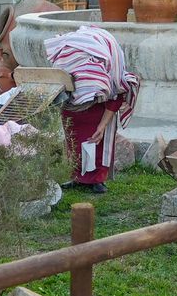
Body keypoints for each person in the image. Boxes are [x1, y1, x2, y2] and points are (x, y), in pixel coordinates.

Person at [44, 25, 140, 194]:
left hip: (98, 111)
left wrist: (102, 126)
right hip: (71, 108)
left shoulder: (108, 75)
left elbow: (115, 97)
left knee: (97, 145)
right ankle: (77, 177)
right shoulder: (66, 62)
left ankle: (97, 179)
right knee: (73, 143)